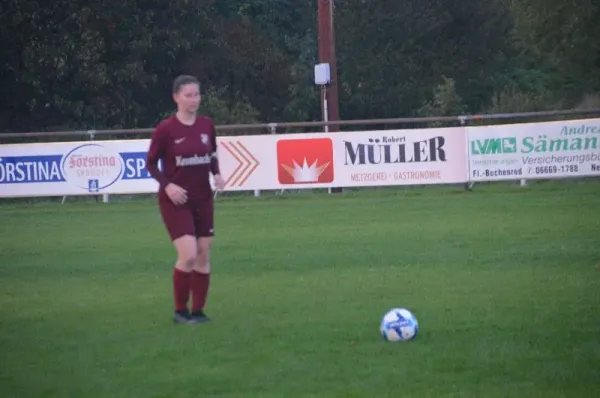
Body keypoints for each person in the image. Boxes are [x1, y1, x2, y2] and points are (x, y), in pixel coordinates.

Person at [146, 75, 225, 324]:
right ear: (176, 97)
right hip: (176, 202)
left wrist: (217, 173)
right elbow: (150, 163)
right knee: (188, 254)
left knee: (203, 254)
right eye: (188, 95)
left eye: (197, 95)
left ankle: (198, 312)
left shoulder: (206, 125)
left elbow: (211, 153)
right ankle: (180, 311)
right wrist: (167, 186)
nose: (194, 100)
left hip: (203, 198)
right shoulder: (166, 129)